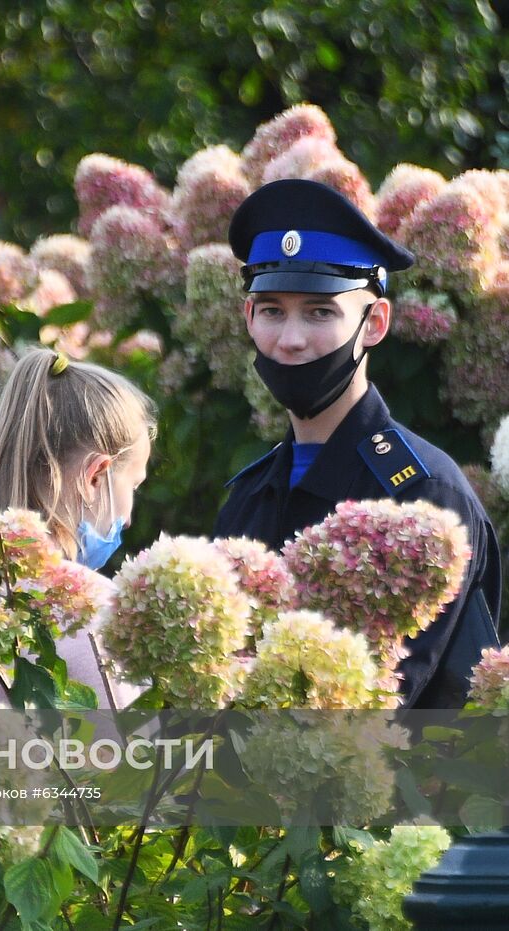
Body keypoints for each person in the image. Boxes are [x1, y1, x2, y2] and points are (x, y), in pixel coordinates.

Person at [216, 178, 501, 708]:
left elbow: (394, 702)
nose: (292, 338)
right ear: (249, 318)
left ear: (374, 323)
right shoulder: (249, 495)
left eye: (321, 311)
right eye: (273, 310)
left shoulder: (424, 497)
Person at [0, 346, 156, 708]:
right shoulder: (93, 609)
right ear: (96, 475)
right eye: (133, 487)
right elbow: (132, 756)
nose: (130, 517)